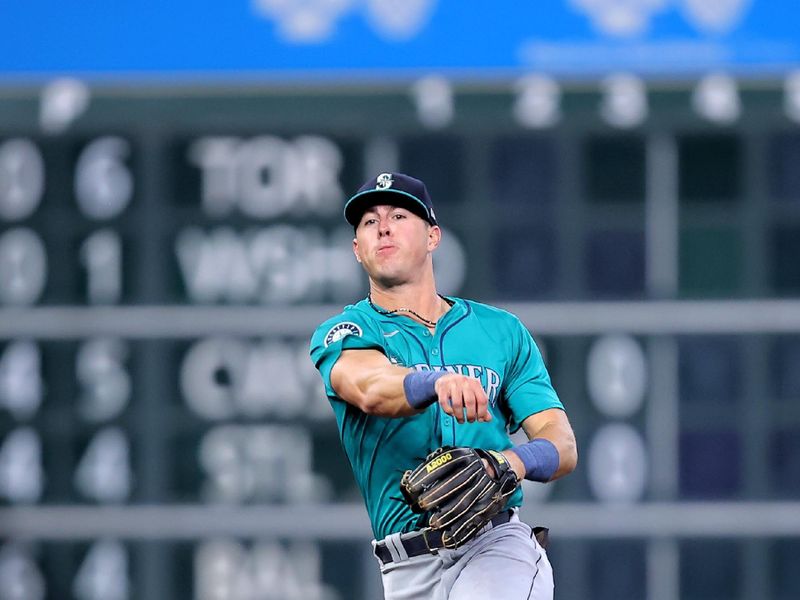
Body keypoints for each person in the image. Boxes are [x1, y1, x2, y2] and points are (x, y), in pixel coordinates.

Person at [309, 172, 578, 600]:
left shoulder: (501, 331)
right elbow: (368, 387)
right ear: (358, 250)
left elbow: (561, 444)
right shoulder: (346, 331)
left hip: (494, 546)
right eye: (368, 222)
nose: (382, 226)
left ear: (433, 237)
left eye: (398, 214)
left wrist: (507, 464)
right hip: (405, 568)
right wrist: (434, 382)